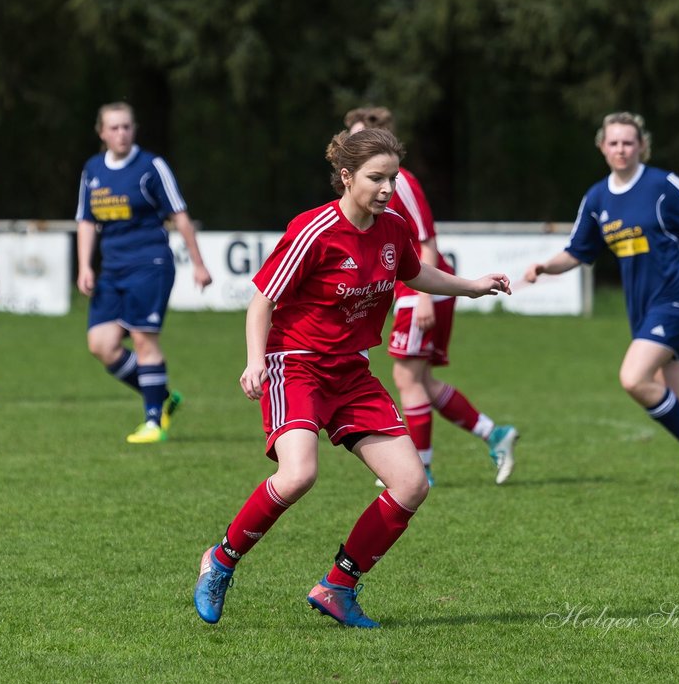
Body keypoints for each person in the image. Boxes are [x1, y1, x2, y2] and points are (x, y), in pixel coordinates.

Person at [192, 128, 511, 628]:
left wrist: (470, 287)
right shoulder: (313, 230)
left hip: (350, 371)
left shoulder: (393, 228)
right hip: (294, 365)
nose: (387, 189)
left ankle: (338, 587)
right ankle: (222, 559)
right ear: (346, 177)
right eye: (376, 179)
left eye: (393, 178)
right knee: (299, 474)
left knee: (410, 484)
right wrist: (255, 361)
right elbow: (263, 302)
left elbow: (414, 273)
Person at [523, 111, 679, 494]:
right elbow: (578, 252)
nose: (621, 149)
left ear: (641, 146)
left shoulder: (661, 185)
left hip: (676, 297)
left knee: (633, 378)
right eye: (614, 142)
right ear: (603, 147)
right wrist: (545, 266)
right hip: (642, 307)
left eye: (628, 142)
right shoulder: (597, 198)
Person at [344, 106, 518, 486]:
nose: (352, 145)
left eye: (360, 137)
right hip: (413, 289)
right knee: (421, 381)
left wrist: (422, 299)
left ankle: (420, 466)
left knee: (407, 378)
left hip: (423, 289)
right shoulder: (368, 186)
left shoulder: (399, 181)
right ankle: (494, 433)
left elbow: (427, 239)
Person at [75, 101, 213, 443]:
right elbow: (86, 220)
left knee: (142, 338)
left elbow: (179, 214)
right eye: (114, 128)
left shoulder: (151, 166)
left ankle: (154, 421)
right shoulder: (93, 169)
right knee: (101, 344)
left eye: (127, 126)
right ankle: (162, 396)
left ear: (133, 130)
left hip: (149, 265)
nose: (121, 133)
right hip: (111, 270)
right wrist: (84, 266)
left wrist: (198, 263)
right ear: (102, 132)